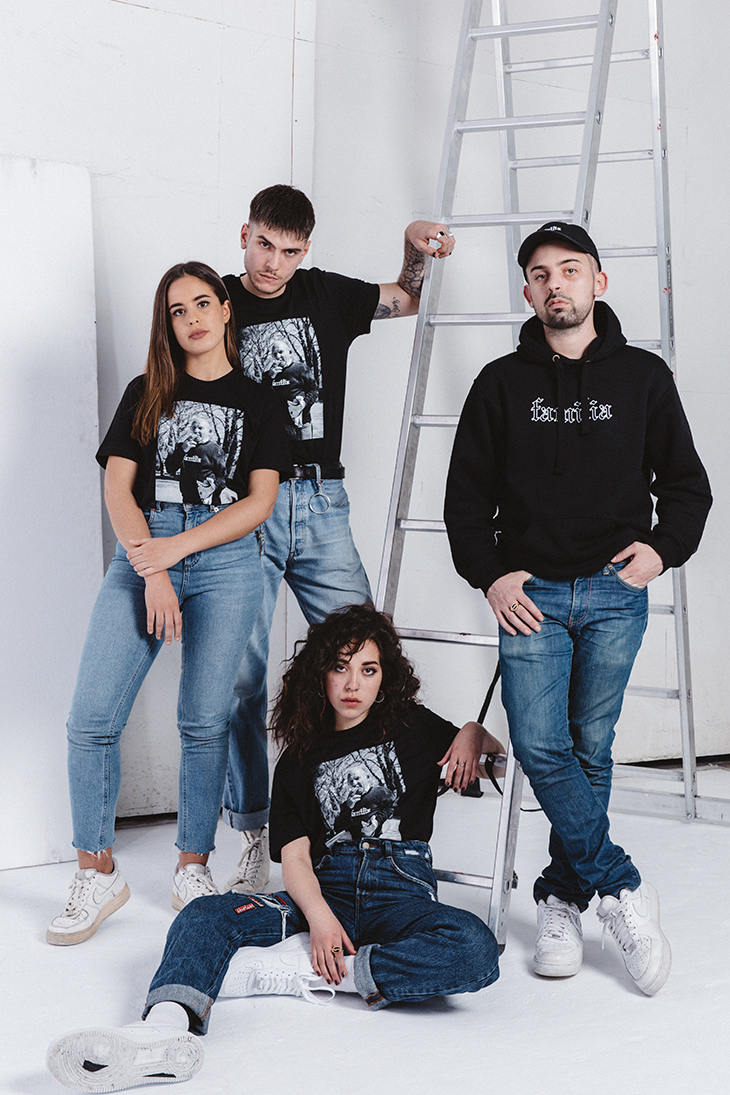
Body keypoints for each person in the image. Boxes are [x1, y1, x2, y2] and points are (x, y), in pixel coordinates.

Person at [47, 603, 502, 1091]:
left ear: (384, 677)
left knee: (475, 947)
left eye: (368, 670)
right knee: (205, 913)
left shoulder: (414, 726)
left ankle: (321, 972)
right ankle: (163, 1028)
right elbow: (297, 857)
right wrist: (321, 919)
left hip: (401, 896)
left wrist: (472, 733)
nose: (353, 684)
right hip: (325, 892)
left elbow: (497, 758)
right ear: (320, 674)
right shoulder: (299, 759)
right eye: (340, 667)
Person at [444, 221, 712, 996]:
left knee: (592, 746)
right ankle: (620, 886)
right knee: (540, 743)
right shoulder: (499, 383)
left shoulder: (643, 377)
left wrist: (662, 550)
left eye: (569, 269)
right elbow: (465, 500)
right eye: (540, 273)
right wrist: (491, 576)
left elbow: (688, 486)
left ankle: (561, 897)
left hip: (612, 589)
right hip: (529, 595)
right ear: (527, 291)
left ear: (599, 281)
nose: (554, 283)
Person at [46, 262, 292, 947]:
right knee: (91, 719)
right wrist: (151, 566)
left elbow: (260, 502)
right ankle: (96, 872)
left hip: (226, 562)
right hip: (142, 551)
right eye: (177, 310)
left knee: (205, 721)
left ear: (225, 309)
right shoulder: (146, 391)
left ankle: (192, 866)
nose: (192, 319)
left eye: (202, 303)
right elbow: (118, 490)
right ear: (168, 324)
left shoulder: (259, 400)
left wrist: (175, 552)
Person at [220, 183, 456, 895]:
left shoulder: (323, 293)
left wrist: (412, 248)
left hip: (321, 502)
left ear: (306, 251)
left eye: (290, 251)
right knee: (239, 676)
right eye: (265, 244)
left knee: (367, 655)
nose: (273, 263)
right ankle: (255, 830)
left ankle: (373, 815)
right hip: (244, 507)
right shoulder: (216, 304)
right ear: (244, 234)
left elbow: (405, 299)